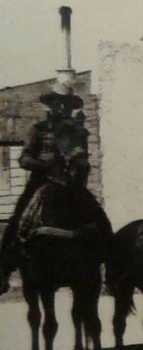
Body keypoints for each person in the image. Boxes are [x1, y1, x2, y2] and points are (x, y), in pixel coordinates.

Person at [0, 85, 85, 293]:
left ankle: (109, 263)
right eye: (58, 102)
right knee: (19, 217)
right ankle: (4, 268)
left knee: (97, 217)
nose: (62, 107)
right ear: (50, 105)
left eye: (66, 104)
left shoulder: (79, 131)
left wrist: (80, 166)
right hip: (42, 181)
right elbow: (24, 158)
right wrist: (43, 164)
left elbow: (84, 158)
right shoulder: (38, 129)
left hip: (71, 183)